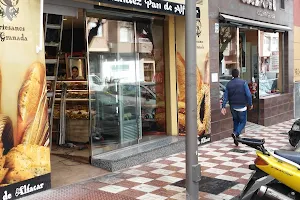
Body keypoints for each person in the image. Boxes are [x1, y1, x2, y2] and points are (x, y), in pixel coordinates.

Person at [221, 69, 253, 146]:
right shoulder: (243, 83)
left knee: (235, 120)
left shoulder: (229, 84)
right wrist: (250, 104)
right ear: (238, 74)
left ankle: (236, 138)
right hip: (242, 106)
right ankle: (236, 133)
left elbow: (225, 96)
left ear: (232, 75)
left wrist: (223, 107)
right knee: (243, 122)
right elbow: (248, 95)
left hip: (232, 106)